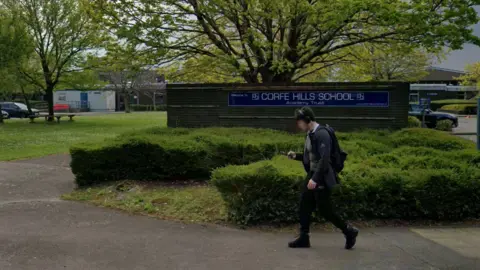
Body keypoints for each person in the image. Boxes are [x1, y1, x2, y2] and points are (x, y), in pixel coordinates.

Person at [287, 106, 358, 250]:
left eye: (299, 121)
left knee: (325, 210)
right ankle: (304, 238)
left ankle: (349, 231)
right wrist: (296, 156)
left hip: (322, 176)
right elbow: (312, 157)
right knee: (304, 205)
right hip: (313, 174)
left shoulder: (322, 134)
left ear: (307, 120)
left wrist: (315, 179)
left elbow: (324, 160)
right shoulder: (310, 133)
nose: (298, 124)